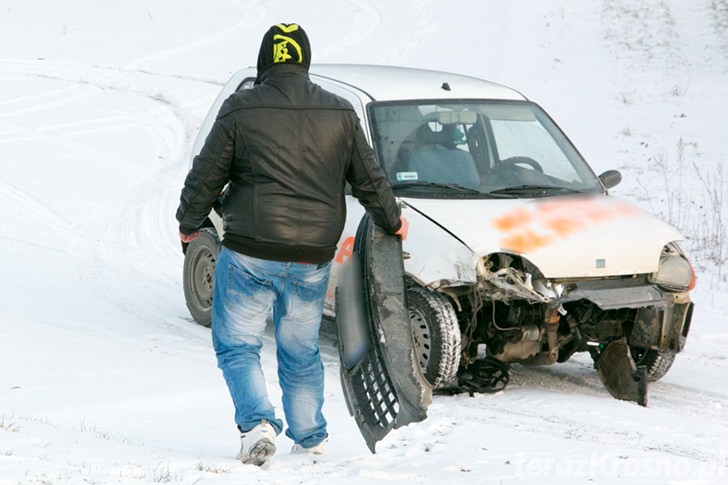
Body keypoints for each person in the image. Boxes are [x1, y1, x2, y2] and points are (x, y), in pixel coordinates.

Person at [175, 23, 404, 466]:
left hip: (248, 251)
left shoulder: (240, 108)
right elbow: (371, 180)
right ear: (304, 61)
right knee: (300, 348)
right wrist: (392, 222)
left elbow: (206, 175)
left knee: (238, 344)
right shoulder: (340, 112)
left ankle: (257, 425)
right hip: (312, 257)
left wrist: (189, 222)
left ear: (266, 60)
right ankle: (310, 436)